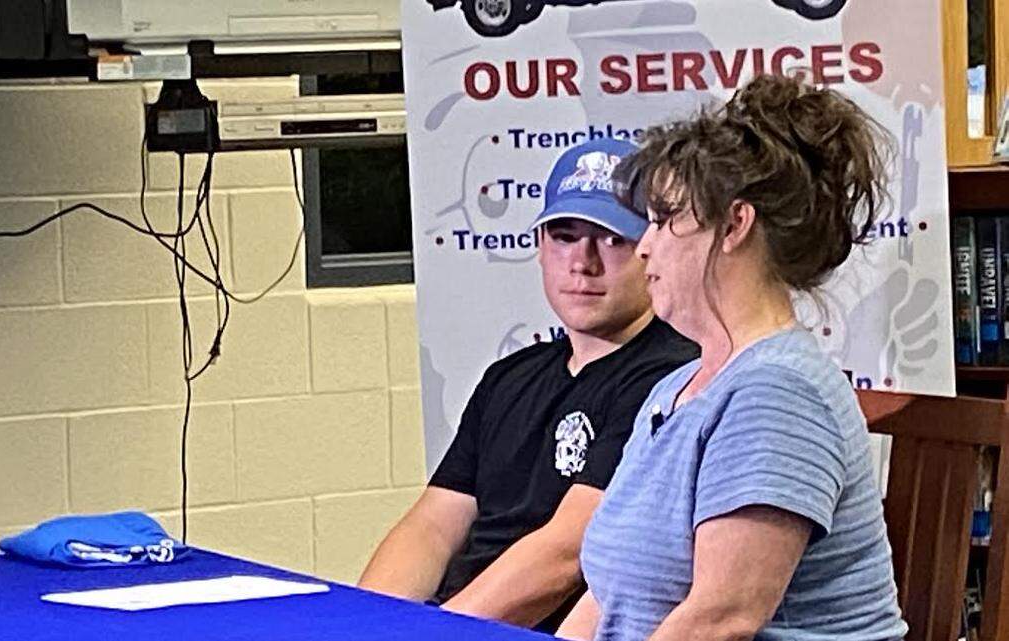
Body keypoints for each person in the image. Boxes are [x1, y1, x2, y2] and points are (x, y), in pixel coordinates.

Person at [558, 74, 908, 641]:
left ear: (734, 225)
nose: (645, 245)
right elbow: (609, 595)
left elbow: (722, 619)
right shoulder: (674, 389)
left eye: (667, 217)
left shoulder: (780, 394)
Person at [357, 138, 699, 632]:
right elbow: (433, 526)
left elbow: (566, 555)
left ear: (651, 251)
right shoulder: (508, 378)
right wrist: (371, 622)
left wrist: (434, 632)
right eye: (563, 236)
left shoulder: (674, 380)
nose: (583, 262)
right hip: (460, 620)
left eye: (611, 239)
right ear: (539, 248)